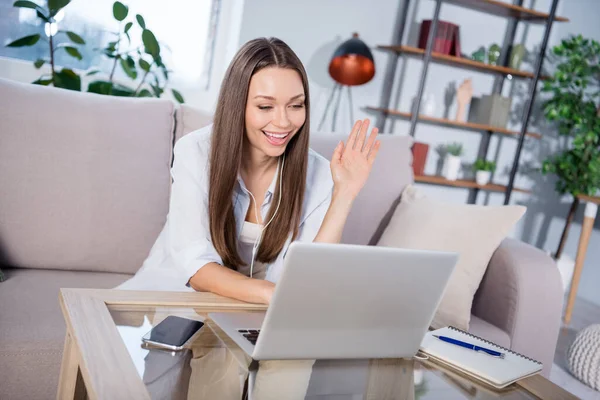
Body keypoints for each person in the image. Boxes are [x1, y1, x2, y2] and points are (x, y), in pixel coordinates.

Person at [117, 37, 381, 304]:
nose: (283, 121)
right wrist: (275, 295)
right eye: (265, 106)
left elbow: (312, 278)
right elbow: (196, 269)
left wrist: (344, 193)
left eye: (296, 105)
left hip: (255, 311)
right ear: (237, 106)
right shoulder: (195, 152)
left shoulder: (322, 173)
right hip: (172, 299)